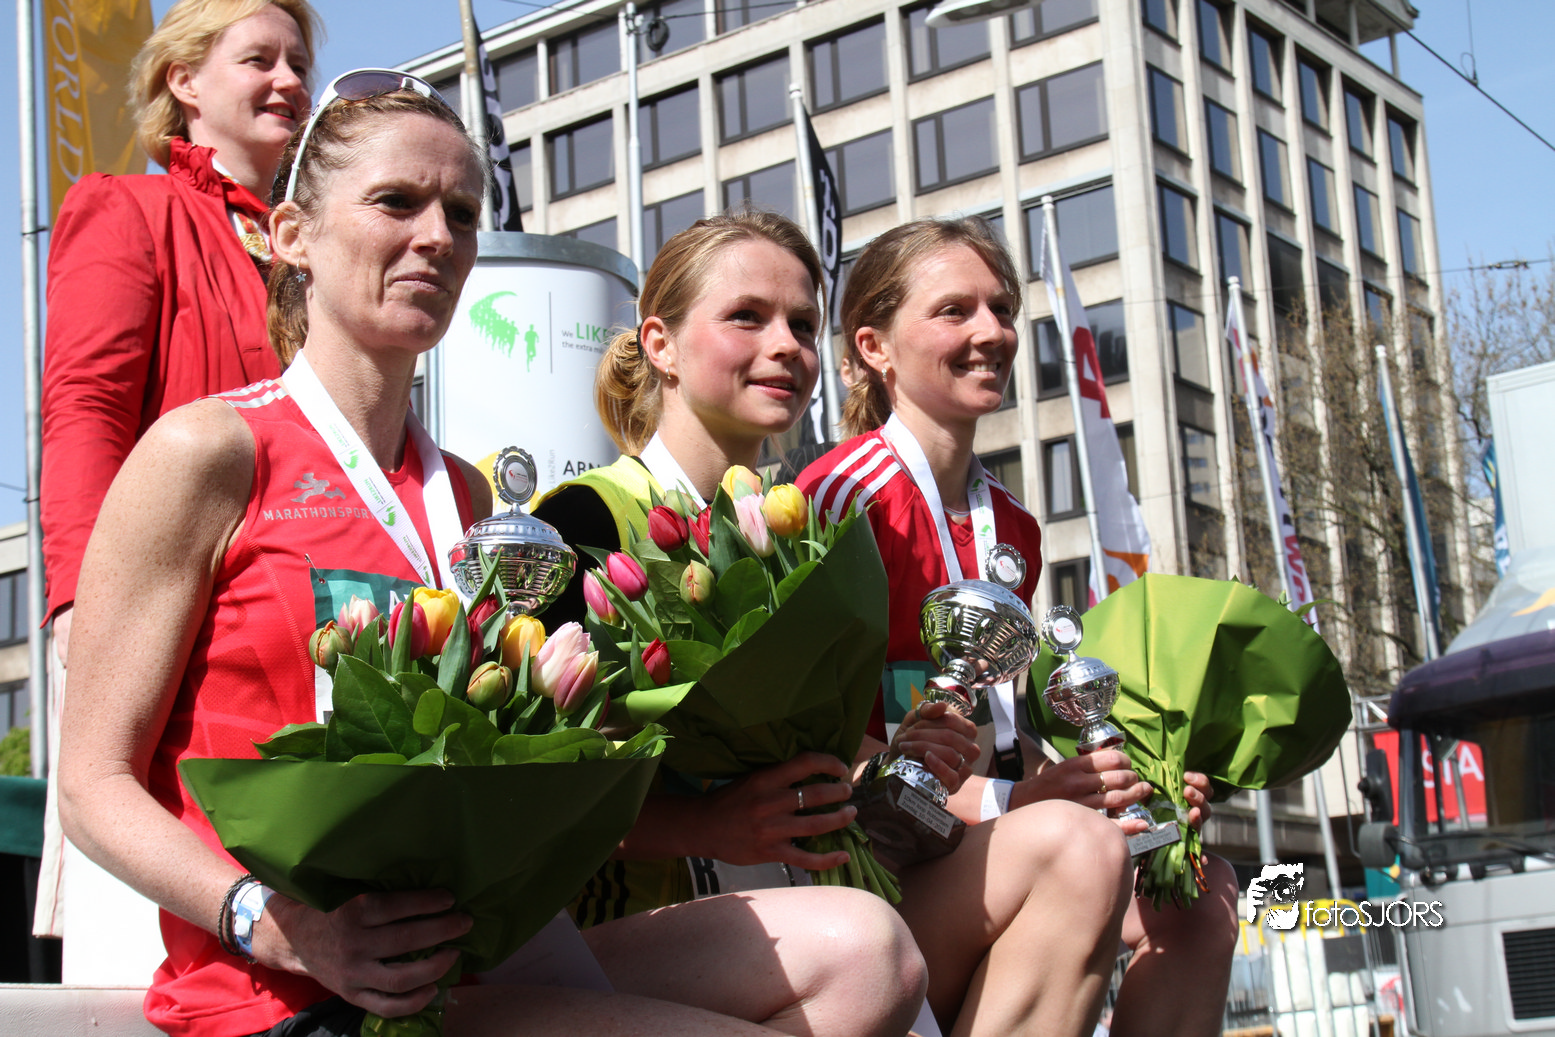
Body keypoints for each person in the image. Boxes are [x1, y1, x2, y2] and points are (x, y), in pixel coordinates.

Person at [57, 77, 924, 1037]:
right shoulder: (210, 452)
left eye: (461, 213)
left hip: (477, 960)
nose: (436, 235)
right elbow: (93, 787)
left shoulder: (469, 498)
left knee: (865, 952)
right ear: (293, 234)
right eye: (396, 202)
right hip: (285, 993)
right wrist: (272, 923)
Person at [535, 211, 1134, 1037]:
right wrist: (709, 825)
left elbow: (823, 764)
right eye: (747, 317)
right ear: (661, 345)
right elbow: (524, 795)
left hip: (808, 907)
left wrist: (900, 762)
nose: (784, 345)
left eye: (800, 324)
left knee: (1089, 858)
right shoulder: (582, 520)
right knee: (872, 948)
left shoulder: (802, 538)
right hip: (631, 934)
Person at [797, 217, 1241, 1037]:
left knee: (1199, 894)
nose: (991, 332)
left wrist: (1120, 786)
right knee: (1074, 849)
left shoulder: (1011, 525)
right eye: (953, 310)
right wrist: (1025, 798)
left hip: (976, 850)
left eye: (1000, 308)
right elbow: (823, 752)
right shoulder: (840, 500)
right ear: (873, 346)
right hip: (865, 877)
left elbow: (999, 733)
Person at [36, 0, 320, 943]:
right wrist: (84, 602)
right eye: (260, 59)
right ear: (184, 80)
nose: (289, 80)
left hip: (297, 631)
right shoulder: (129, 209)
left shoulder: (317, 253)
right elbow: (86, 408)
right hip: (164, 623)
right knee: (149, 943)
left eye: (299, 61)